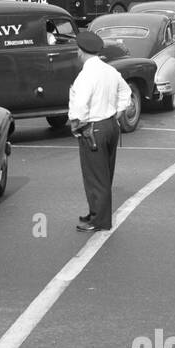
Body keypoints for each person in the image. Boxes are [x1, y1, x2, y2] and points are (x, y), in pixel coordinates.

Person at [68, 29, 132, 232]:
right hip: (111, 125)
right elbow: (126, 92)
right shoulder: (110, 70)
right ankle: (96, 212)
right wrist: (118, 111)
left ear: (80, 51)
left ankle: (99, 220)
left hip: (93, 128)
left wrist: (77, 124)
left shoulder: (86, 75)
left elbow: (79, 104)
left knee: (95, 177)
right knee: (105, 173)